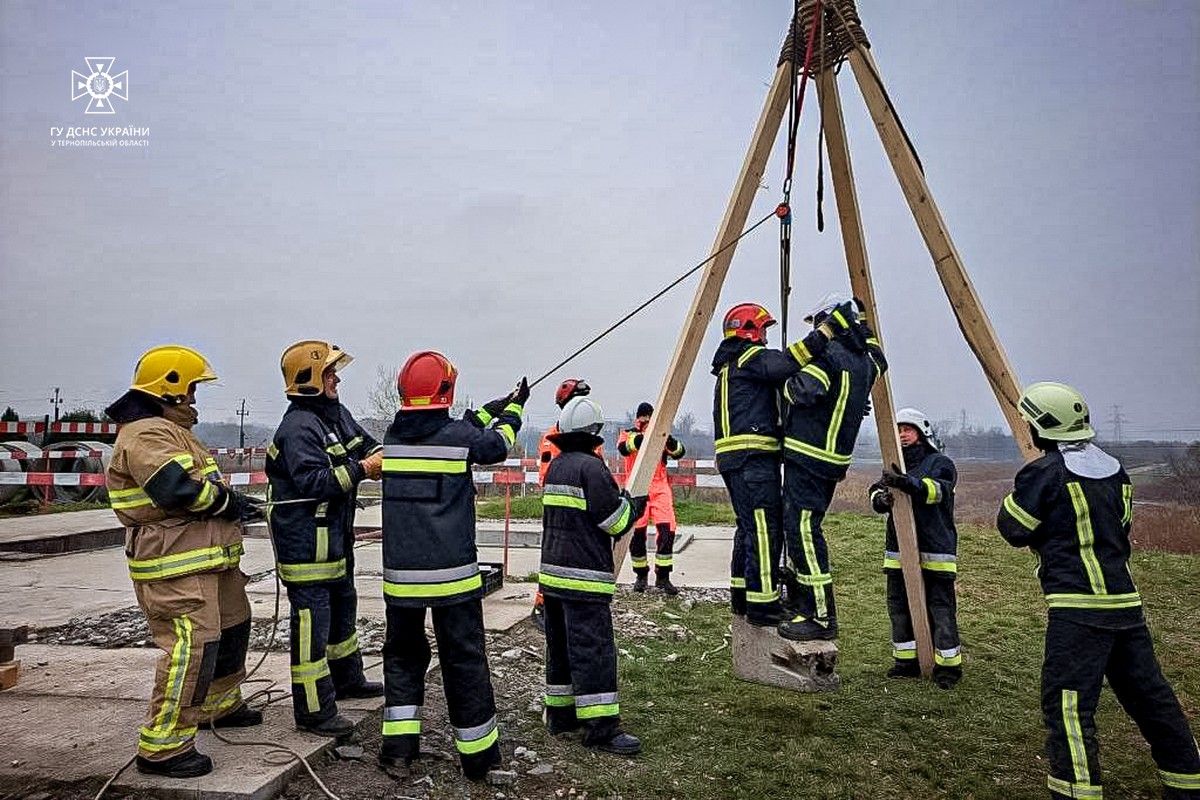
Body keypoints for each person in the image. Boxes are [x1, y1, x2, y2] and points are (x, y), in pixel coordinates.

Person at [997, 382, 1200, 800]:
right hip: (1126, 605)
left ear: (1041, 427)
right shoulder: (1115, 469)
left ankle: (1076, 792)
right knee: (1152, 699)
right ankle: (1187, 783)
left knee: (1069, 707)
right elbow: (1118, 528)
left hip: (1078, 611)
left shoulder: (1044, 473)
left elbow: (1014, 528)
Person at [104, 345, 263, 778]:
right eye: (191, 389)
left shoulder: (172, 429)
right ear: (169, 388)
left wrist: (235, 507)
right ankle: (164, 746)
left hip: (208, 563)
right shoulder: (145, 434)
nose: (193, 398)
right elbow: (177, 489)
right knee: (192, 648)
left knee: (233, 626)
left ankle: (219, 704)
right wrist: (230, 503)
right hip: (174, 566)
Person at [378, 350, 528, 780]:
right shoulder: (460, 439)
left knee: (403, 660)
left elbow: (457, 426)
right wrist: (514, 408)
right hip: (453, 582)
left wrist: (486, 409)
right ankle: (479, 759)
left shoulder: (394, 436)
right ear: (446, 390)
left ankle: (398, 753)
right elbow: (496, 444)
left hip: (401, 582)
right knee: (463, 661)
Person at [710, 299, 859, 627]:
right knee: (765, 530)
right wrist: (827, 331)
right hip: (753, 457)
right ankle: (764, 606)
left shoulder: (729, 365)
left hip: (737, 458)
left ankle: (743, 596)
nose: (765, 338)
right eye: (762, 330)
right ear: (750, 330)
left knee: (747, 528)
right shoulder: (748, 356)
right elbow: (789, 362)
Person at [265, 340, 385, 737]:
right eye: (330, 372)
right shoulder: (299, 427)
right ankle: (314, 710)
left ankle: (348, 680)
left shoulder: (332, 415)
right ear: (309, 379)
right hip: (305, 548)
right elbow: (315, 481)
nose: (337, 378)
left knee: (341, 614)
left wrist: (385, 453)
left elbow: (365, 446)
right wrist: (364, 468)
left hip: (334, 543)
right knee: (311, 630)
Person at [539, 396, 646, 755]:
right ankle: (601, 728)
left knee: (561, 648)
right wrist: (633, 506)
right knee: (593, 651)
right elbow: (613, 522)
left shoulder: (557, 467)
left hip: (553, 578)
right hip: (583, 578)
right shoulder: (592, 469)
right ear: (594, 432)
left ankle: (561, 715)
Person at [777, 292, 886, 642]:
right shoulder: (866, 360)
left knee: (804, 533)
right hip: (831, 460)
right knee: (804, 529)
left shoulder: (830, 357)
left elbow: (801, 392)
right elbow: (880, 357)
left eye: (818, 324)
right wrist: (864, 323)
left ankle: (821, 617)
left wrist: (782, 375)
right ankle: (806, 604)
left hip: (808, 456)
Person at [868, 408, 962, 688]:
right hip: (899, 551)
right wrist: (880, 498)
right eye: (897, 429)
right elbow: (875, 491)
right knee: (899, 608)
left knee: (940, 609)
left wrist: (907, 483)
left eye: (907, 429)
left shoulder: (940, 463)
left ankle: (948, 668)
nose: (901, 434)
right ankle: (905, 662)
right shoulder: (895, 464)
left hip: (935, 551)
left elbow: (938, 491)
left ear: (922, 433)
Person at [531, 378, 603, 630]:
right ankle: (543, 604)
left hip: (584, 509)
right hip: (561, 508)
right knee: (556, 556)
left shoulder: (590, 437)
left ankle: (570, 604)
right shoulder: (552, 437)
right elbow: (546, 476)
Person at [617, 402, 686, 594]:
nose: (646, 420)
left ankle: (663, 577)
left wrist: (665, 438)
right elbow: (624, 448)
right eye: (644, 417)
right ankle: (641, 575)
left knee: (667, 529)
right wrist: (643, 436)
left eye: (649, 417)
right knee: (636, 533)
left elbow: (679, 451)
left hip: (659, 487)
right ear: (638, 418)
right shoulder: (629, 433)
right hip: (638, 486)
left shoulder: (660, 435)